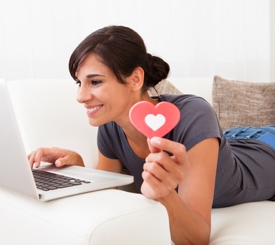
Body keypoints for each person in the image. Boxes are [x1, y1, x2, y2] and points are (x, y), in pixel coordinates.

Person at [28, 25, 275, 244]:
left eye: (95, 82)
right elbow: (110, 198)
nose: (80, 96)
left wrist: (166, 196)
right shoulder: (110, 126)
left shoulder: (194, 114)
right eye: (79, 83)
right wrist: (78, 169)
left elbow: (196, 239)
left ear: (135, 79)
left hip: (264, 148)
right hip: (234, 139)